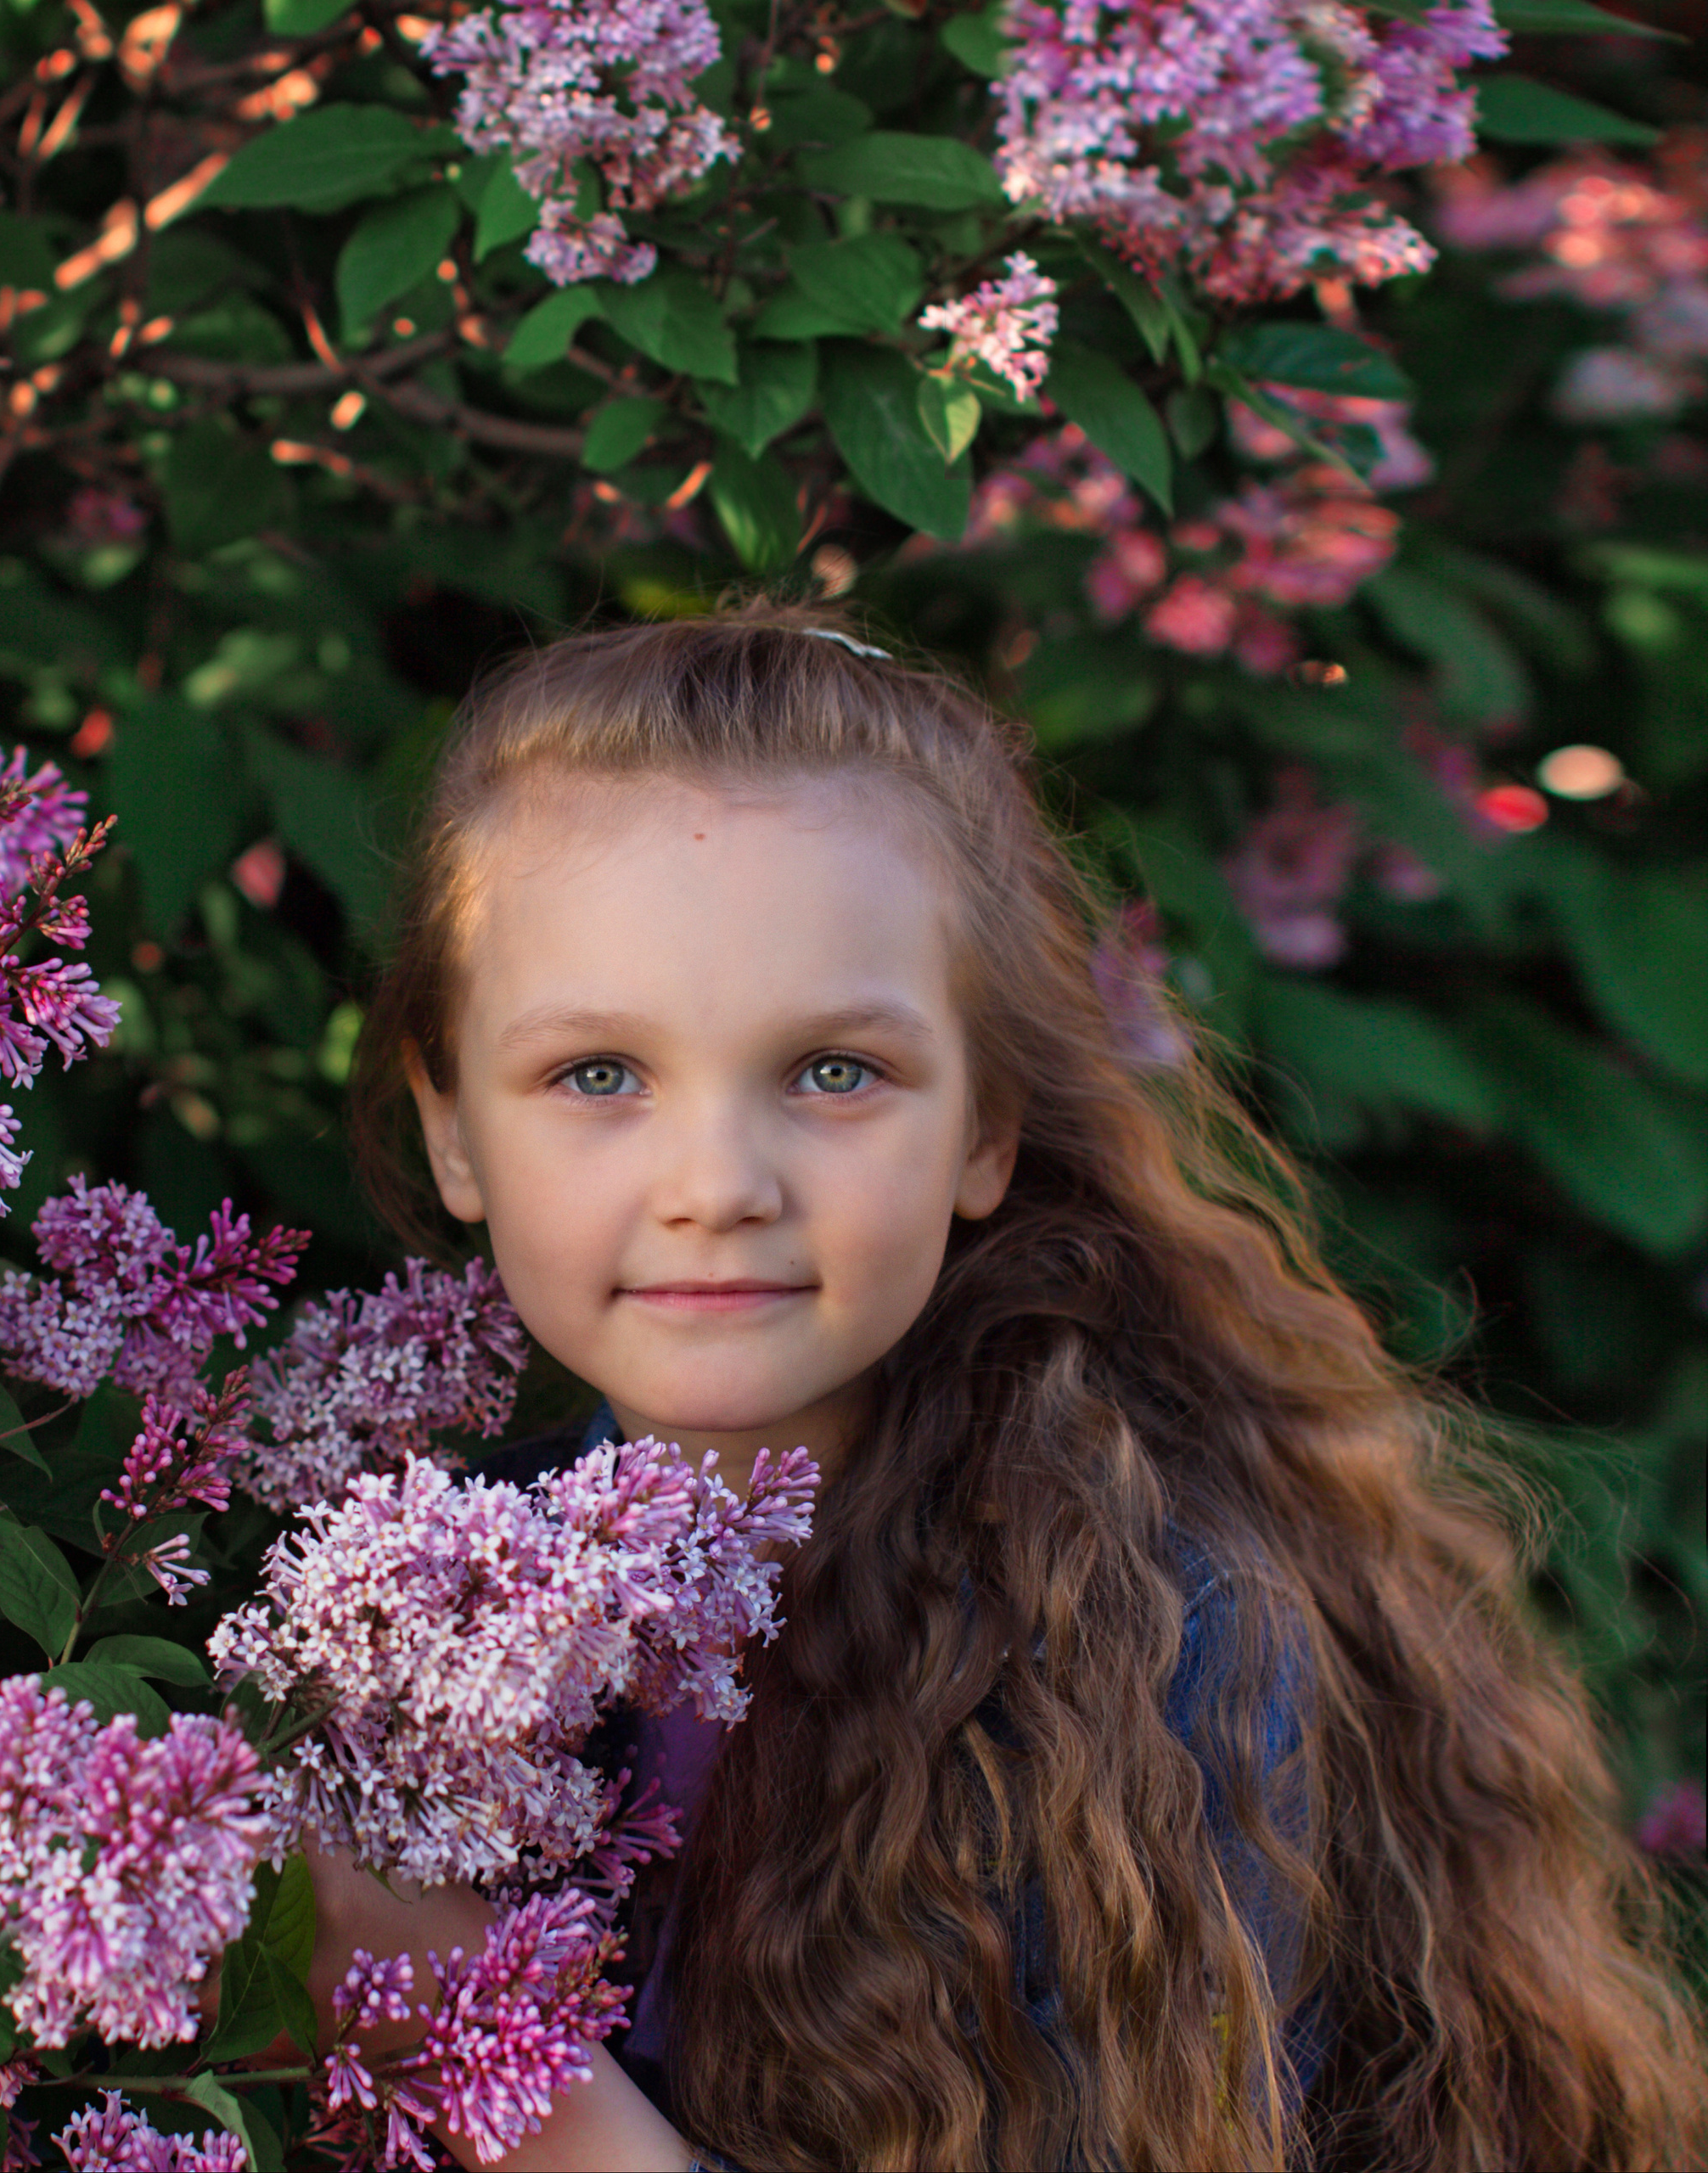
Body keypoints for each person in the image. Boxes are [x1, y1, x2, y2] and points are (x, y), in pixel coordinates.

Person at [297, 607, 1707, 2171]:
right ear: (452, 1129)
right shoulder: (395, 1600)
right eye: (596, 1076)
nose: (715, 1185)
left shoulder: (1142, 1636)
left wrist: (502, 2064)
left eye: (834, 1071)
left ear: (984, 1130)